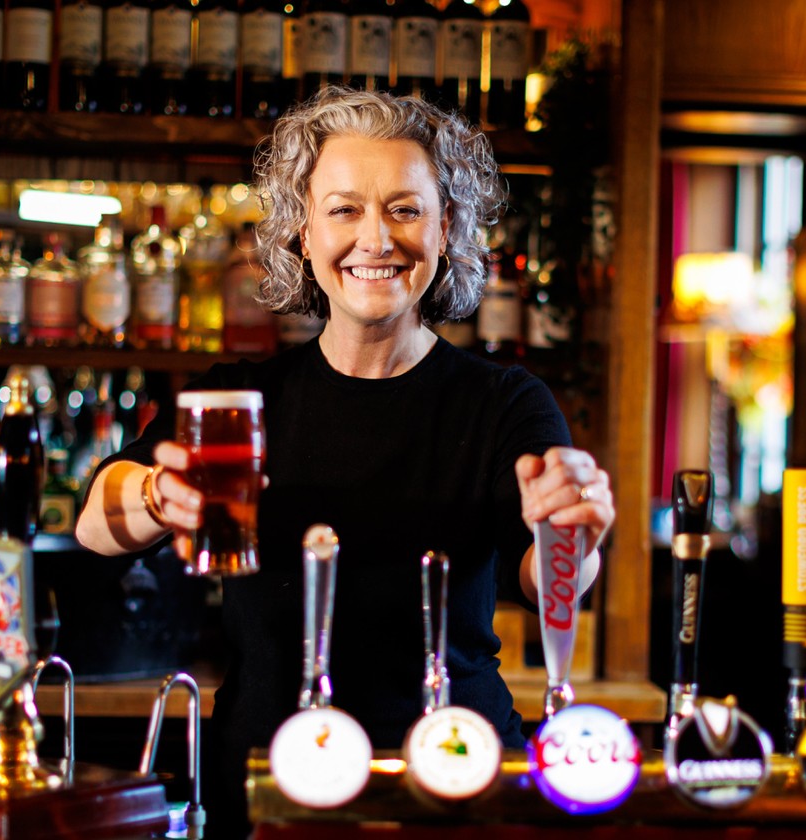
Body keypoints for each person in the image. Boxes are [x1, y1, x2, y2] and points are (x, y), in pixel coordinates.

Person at [75, 86, 616, 837]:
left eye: (404, 208)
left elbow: (547, 577)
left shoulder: (504, 404)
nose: (376, 238)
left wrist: (573, 534)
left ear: (445, 226)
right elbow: (96, 524)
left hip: (453, 780)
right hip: (267, 784)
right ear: (300, 230)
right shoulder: (238, 398)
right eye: (343, 209)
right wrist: (158, 498)